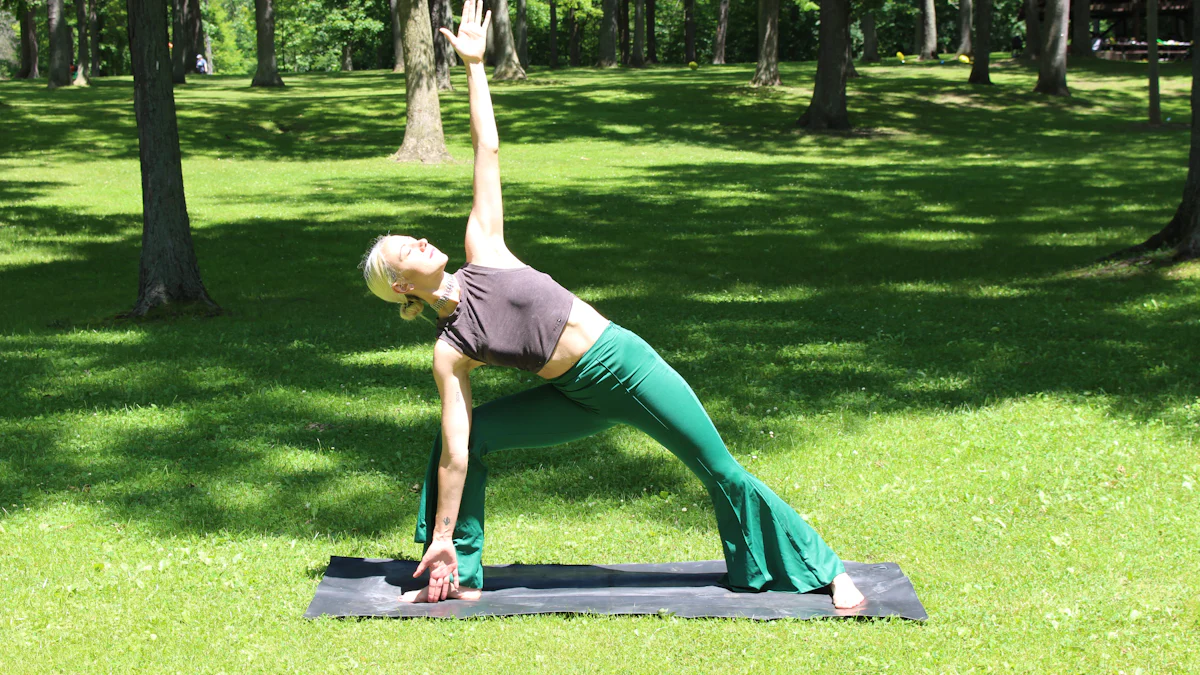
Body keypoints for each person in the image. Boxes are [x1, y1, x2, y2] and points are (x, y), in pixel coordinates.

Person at [360, 0, 866, 610]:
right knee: (471, 437)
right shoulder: (451, 350)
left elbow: (485, 150)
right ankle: (452, 566)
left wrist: (474, 66)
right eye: (403, 249)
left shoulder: (483, 249)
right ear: (402, 286)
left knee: (719, 469)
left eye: (409, 235)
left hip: (624, 366)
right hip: (573, 397)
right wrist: (442, 532)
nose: (417, 238)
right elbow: (458, 448)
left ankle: (825, 568)